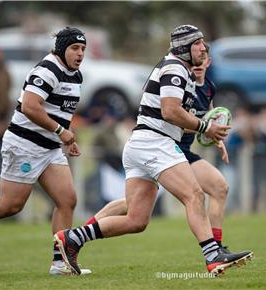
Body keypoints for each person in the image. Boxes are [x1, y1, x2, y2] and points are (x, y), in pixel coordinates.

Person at [54, 24, 253, 276]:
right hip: (155, 143)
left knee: (136, 221)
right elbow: (170, 111)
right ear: (183, 48)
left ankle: (72, 237)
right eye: (197, 44)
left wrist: (209, 130)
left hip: (142, 144)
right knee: (194, 195)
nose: (203, 48)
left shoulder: (182, 70)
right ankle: (213, 255)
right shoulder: (175, 68)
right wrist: (205, 128)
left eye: (203, 43)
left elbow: (180, 114)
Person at [80, 45, 237, 253]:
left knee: (219, 187)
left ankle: (216, 247)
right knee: (134, 206)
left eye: (204, 57)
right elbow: (171, 115)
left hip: (183, 152)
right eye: (198, 55)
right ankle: (81, 234)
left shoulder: (208, 88)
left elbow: (209, 116)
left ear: (207, 62)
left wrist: (216, 138)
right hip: (163, 149)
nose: (199, 62)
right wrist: (202, 126)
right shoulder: (178, 81)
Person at [0, 27, 92, 276]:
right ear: (61, 49)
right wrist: (61, 131)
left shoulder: (75, 75)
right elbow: (29, 107)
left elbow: (60, 112)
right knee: (11, 205)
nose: (80, 54)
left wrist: (66, 138)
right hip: (24, 145)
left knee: (67, 200)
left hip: (49, 148)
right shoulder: (48, 70)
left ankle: (60, 264)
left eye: (83, 49)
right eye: (74, 48)